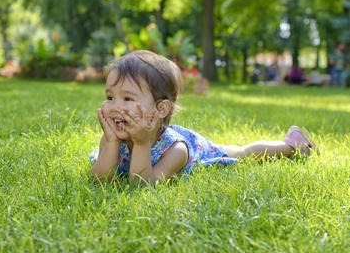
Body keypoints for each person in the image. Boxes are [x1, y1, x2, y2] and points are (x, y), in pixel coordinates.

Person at [89, 50, 318, 183]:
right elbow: (100, 181)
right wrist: (109, 142)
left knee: (242, 152)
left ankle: (293, 146)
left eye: (127, 99)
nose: (115, 107)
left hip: (197, 148)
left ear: (160, 109)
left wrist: (140, 143)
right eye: (110, 97)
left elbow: (142, 185)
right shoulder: (113, 138)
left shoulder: (176, 150)